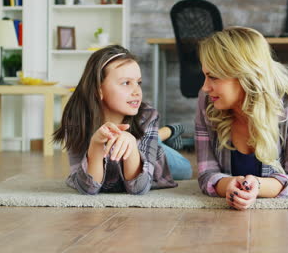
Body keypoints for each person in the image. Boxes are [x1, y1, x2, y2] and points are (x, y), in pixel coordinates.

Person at [195, 27, 288, 210]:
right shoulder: (207, 101)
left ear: (244, 75)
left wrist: (258, 186)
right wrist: (228, 186)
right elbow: (206, 173)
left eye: (213, 77)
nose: (205, 87)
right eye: (205, 76)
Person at [53, 45, 192, 195]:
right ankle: (157, 136)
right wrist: (95, 145)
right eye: (126, 83)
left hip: (152, 150)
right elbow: (88, 188)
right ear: (98, 90)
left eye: (138, 82)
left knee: (185, 170)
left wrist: (132, 146)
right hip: (139, 136)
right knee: (148, 139)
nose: (136, 91)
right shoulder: (76, 120)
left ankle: (159, 136)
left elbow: (138, 188)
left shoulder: (147, 116)